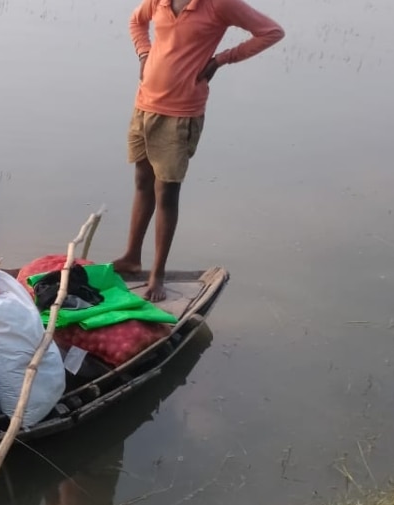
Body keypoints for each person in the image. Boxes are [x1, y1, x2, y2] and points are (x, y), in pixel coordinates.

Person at [113, 0, 284, 301]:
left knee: (166, 192)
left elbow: (270, 32)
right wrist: (143, 53)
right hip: (144, 104)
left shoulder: (220, 4)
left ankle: (157, 274)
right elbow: (136, 22)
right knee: (142, 182)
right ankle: (131, 257)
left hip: (181, 113)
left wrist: (222, 59)